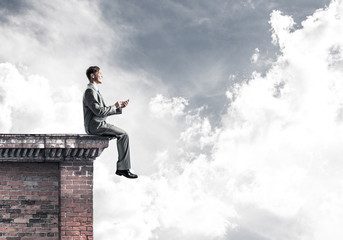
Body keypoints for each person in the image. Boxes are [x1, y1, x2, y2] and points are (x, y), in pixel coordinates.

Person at [83, 66, 138, 179]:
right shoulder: (90, 91)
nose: (102, 75)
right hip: (95, 126)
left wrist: (118, 107)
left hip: (98, 124)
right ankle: (123, 169)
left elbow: (101, 112)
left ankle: (123, 168)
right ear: (92, 75)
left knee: (122, 135)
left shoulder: (94, 91)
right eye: (100, 73)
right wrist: (114, 106)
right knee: (123, 135)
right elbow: (99, 112)